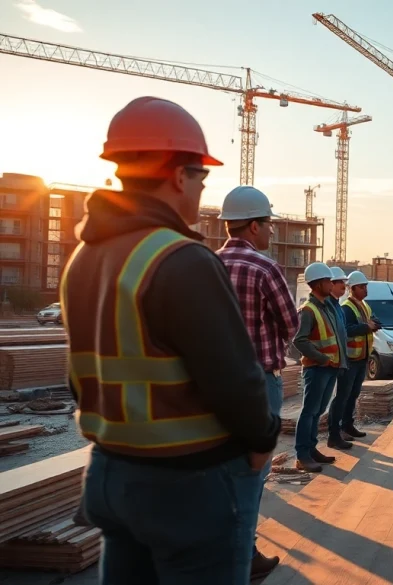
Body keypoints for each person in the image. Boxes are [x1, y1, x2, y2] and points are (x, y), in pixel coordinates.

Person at [60, 96, 280, 584]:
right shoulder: (181, 259)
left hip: (110, 470)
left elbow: (80, 375)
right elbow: (234, 377)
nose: (200, 190)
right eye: (201, 178)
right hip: (186, 482)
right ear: (179, 175)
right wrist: (262, 437)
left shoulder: (85, 258)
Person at [215, 185, 299, 579]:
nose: (271, 230)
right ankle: (242, 559)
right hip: (258, 383)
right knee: (252, 473)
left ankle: (223, 550)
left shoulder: (208, 265)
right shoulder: (265, 269)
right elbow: (291, 323)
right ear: (252, 226)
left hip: (212, 385)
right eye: (268, 223)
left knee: (219, 469)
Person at [292, 262, 345, 472]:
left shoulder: (327, 307)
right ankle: (302, 455)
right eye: (328, 281)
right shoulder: (308, 310)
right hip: (317, 368)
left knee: (318, 411)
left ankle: (311, 449)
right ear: (318, 284)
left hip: (330, 368)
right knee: (309, 411)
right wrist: (322, 358)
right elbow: (299, 340)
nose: (331, 285)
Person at [333, 270, 380, 444]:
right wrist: (367, 327)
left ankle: (348, 425)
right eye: (361, 287)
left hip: (362, 357)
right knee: (344, 395)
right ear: (352, 289)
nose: (365, 290)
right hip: (351, 359)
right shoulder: (347, 308)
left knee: (353, 394)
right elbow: (347, 330)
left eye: (366, 286)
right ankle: (338, 429)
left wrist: (375, 324)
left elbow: (371, 320)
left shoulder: (364, 305)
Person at [325, 266, 355, 450]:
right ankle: (333, 435)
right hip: (328, 361)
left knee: (343, 396)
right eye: (339, 283)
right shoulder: (328, 306)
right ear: (330, 284)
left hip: (341, 360)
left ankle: (336, 434)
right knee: (322, 405)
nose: (343, 286)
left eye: (344, 283)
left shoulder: (336, 305)